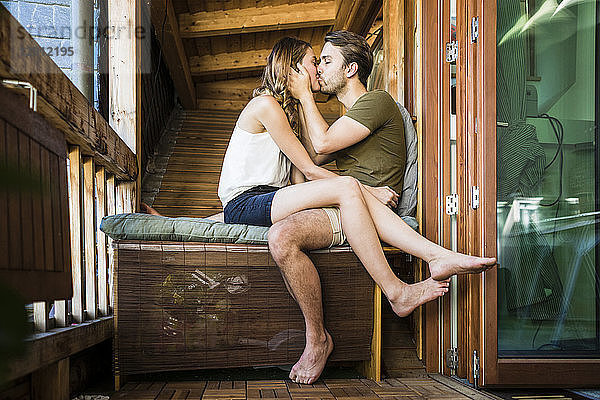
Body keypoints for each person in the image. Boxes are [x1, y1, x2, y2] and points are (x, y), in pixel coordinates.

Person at [217, 34, 496, 384]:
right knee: (337, 194)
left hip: (315, 202)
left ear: (350, 68)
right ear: (292, 69)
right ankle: (417, 272)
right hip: (277, 200)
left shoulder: (374, 102)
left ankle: (413, 276)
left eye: (325, 61)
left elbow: (311, 161)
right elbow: (312, 161)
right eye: (313, 62)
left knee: (327, 202)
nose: (318, 68)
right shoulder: (282, 110)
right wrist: (365, 191)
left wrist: (304, 98)